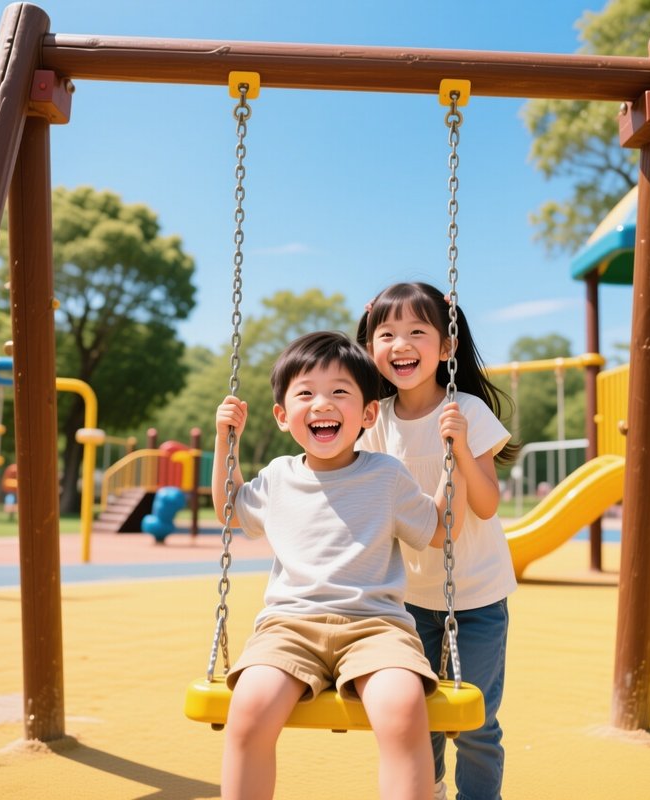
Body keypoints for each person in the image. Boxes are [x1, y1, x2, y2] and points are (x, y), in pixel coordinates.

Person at [212, 330, 468, 800]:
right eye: (305, 393)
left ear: (369, 414)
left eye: (340, 392)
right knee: (248, 708)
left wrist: (456, 456)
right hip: (289, 627)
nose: (322, 403)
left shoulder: (387, 475)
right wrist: (224, 441)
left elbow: (437, 530)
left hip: (376, 627)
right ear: (283, 415)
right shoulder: (277, 477)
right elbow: (231, 511)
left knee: (402, 706)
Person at [357, 282, 519, 800]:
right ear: (369, 347)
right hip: (407, 601)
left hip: (476, 596)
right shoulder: (375, 420)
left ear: (445, 347)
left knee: (474, 719)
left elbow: (488, 505)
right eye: (386, 333)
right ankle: (425, 791)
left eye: (416, 332)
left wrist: (462, 447)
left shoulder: (466, 410)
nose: (400, 344)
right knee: (417, 718)